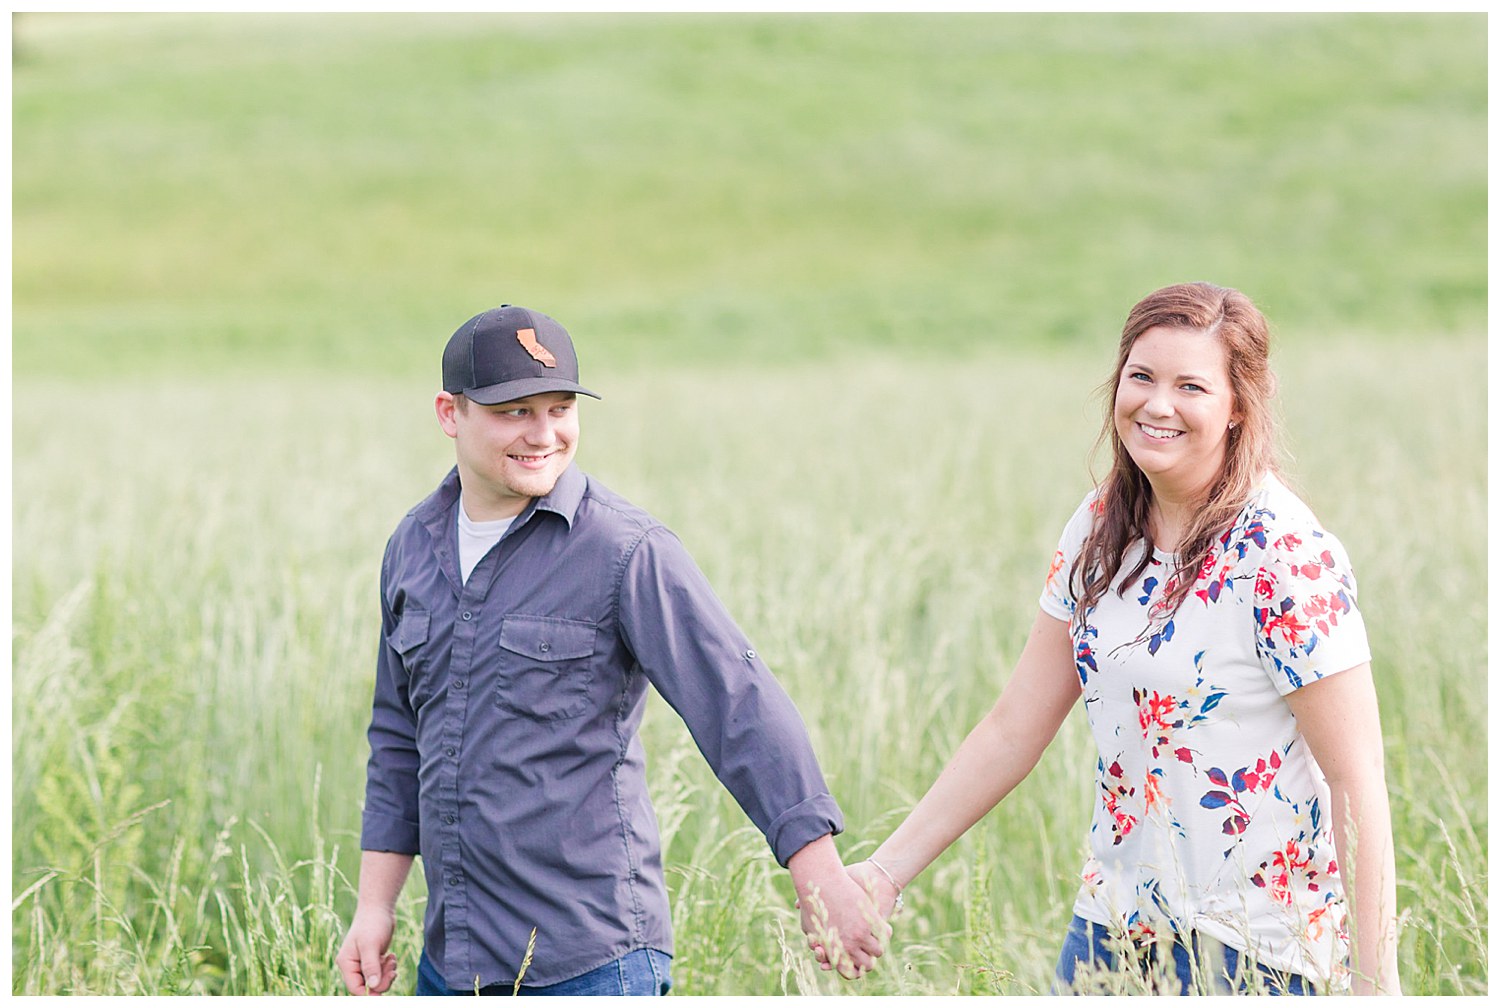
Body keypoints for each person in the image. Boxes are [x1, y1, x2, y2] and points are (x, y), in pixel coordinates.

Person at [840, 282, 1400, 995]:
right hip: (1114, 928)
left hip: (1258, 948)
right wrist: (884, 874)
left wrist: (1377, 986)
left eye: (1191, 386)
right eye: (1142, 377)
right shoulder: (1102, 527)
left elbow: (1357, 776)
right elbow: (1014, 726)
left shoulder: (1283, 554)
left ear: (1237, 409)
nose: (1157, 405)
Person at [336, 305, 883, 996]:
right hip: (454, 963)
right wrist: (374, 907)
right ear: (451, 413)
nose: (544, 433)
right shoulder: (412, 547)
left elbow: (737, 702)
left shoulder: (624, 551)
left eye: (560, 408)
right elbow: (397, 736)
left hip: (593, 964)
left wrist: (820, 874)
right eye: (515, 412)